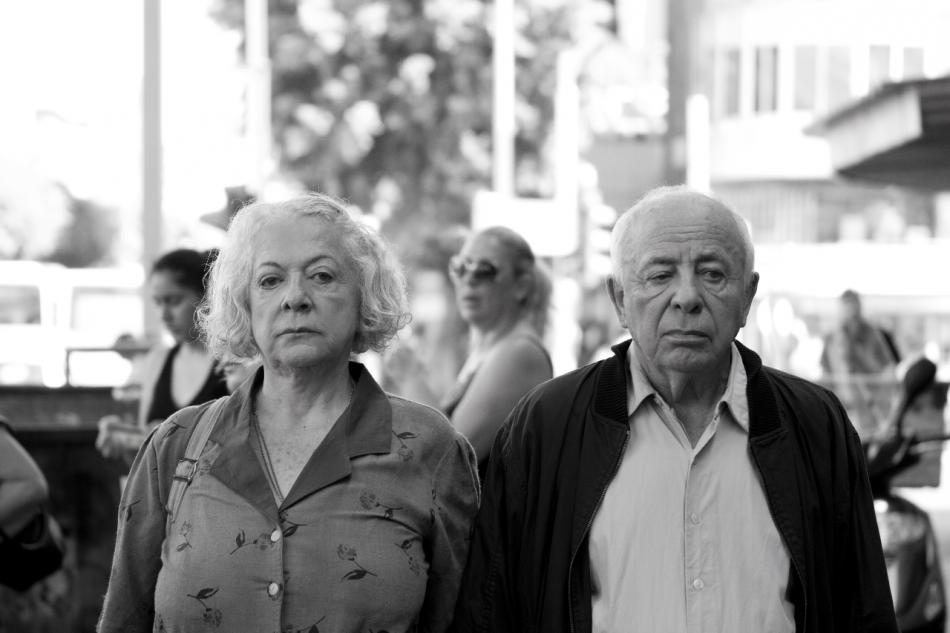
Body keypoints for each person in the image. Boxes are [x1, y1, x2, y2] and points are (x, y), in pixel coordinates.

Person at [451, 186, 897, 633]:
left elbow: (864, 609)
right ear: (620, 299)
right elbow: (491, 609)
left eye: (713, 274)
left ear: (747, 296)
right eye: (660, 275)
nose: (687, 297)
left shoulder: (815, 426)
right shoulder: (546, 426)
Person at [98, 193, 480, 633]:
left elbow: (468, 618)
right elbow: (124, 618)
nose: (295, 297)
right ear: (244, 304)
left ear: (363, 298)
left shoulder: (430, 449)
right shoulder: (176, 445)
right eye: (270, 280)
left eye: (322, 276)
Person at [385, 226, 553, 480]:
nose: (469, 280)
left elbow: (450, 456)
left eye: (485, 270)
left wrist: (410, 376)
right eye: (460, 268)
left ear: (522, 286)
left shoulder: (519, 352)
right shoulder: (488, 348)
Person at [96, 248, 228, 465]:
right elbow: (147, 464)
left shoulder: (232, 364)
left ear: (205, 297)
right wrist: (125, 440)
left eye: (173, 301)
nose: (164, 315)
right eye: (158, 303)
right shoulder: (157, 361)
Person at [821, 288, 899, 377]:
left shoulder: (873, 334)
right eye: (847, 308)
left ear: (860, 308)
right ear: (841, 310)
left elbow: (888, 366)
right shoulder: (831, 337)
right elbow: (825, 371)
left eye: (854, 307)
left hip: (870, 384)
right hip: (842, 385)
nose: (851, 312)